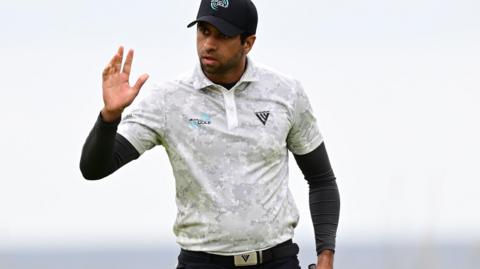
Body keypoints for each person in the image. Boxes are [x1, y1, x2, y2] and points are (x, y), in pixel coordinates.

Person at [80, 0, 340, 268]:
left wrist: (325, 256)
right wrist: (109, 118)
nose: (209, 44)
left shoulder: (285, 93)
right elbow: (94, 168)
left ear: (247, 43)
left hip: (277, 260)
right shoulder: (168, 100)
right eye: (204, 31)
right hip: (201, 262)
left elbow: (320, 179)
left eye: (223, 35)